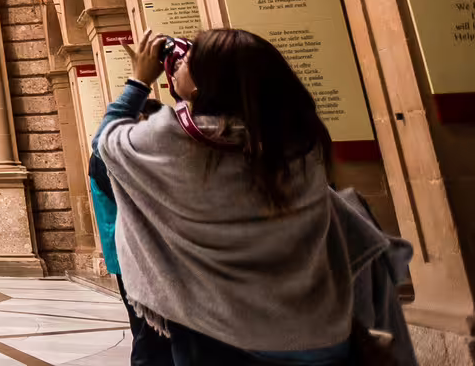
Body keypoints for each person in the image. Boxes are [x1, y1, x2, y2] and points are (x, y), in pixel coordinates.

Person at [99, 27, 351, 364]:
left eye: (188, 58)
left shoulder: (179, 143)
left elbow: (106, 143)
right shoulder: (299, 139)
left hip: (213, 326)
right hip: (306, 320)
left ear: (205, 83)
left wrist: (139, 82)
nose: (177, 62)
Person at [89, 94, 171, 365]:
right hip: (131, 253)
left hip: (135, 251)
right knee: (148, 331)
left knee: (155, 332)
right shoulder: (107, 158)